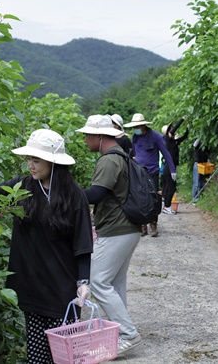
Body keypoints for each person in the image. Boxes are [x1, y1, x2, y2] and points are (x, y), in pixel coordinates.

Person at [0, 129, 93, 363]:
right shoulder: (23, 187)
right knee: (37, 354)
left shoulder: (74, 196)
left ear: (53, 162)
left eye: (36, 160)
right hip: (32, 285)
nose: (31, 165)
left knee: (65, 356)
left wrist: (83, 283)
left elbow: (82, 244)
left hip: (62, 289)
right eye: (29, 159)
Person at [76, 115, 143, 355]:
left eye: (87, 135)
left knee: (96, 281)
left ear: (100, 136)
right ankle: (118, 334)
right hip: (128, 228)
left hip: (117, 229)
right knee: (114, 283)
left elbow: (95, 195)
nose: (85, 139)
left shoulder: (109, 160)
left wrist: (64, 194)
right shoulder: (121, 155)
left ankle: (128, 334)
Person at [123, 113, 176, 236]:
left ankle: (153, 223)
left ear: (143, 126)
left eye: (138, 126)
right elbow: (133, 153)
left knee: (152, 198)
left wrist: (172, 169)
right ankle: (143, 225)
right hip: (139, 171)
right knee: (140, 198)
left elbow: (166, 153)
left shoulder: (155, 136)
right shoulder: (135, 137)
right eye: (134, 127)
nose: (135, 129)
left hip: (152, 171)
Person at [161, 118, 188, 214]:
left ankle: (166, 206)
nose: (174, 129)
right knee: (171, 188)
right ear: (169, 131)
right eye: (171, 128)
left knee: (171, 188)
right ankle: (166, 207)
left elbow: (184, 137)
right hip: (168, 168)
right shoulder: (167, 140)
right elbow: (174, 129)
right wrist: (182, 120)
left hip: (171, 168)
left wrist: (188, 127)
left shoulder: (174, 142)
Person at [192, 138, 209, 204]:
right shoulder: (197, 143)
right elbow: (195, 144)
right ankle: (195, 199)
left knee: (202, 181)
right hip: (198, 164)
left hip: (204, 164)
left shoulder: (205, 145)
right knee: (196, 182)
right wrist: (200, 136)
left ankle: (201, 197)